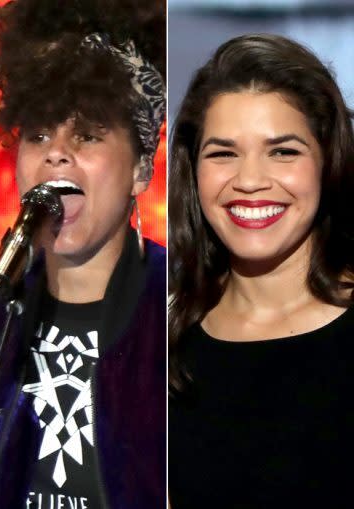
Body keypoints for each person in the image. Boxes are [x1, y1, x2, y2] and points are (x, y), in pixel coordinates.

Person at [0, 1, 166, 508]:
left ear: (140, 170)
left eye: (86, 135)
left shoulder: (184, 304)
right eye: (38, 134)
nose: (56, 152)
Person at [168, 34, 354, 508]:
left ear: (327, 161)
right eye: (223, 153)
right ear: (193, 171)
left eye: (283, 151)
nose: (249, 181)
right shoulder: (165, 341)